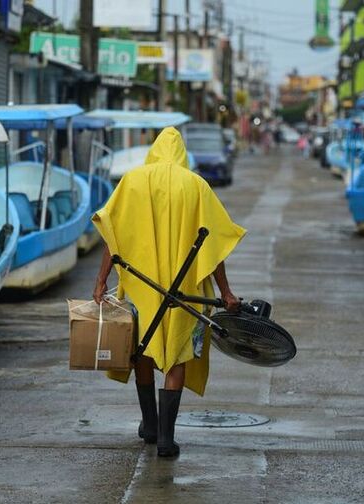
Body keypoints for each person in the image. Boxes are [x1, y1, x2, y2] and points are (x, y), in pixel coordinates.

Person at [92, 127, 245, 458]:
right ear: (181, 154)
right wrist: (227, 292)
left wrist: (101, 281)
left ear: (154, 151)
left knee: (143, 351)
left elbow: (112, 237)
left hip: (141, 288)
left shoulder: (132, 181)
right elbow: (214, 247)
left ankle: (149, 424)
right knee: (176, 355)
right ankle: (164, 438)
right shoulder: (196, 186)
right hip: (185, 292)